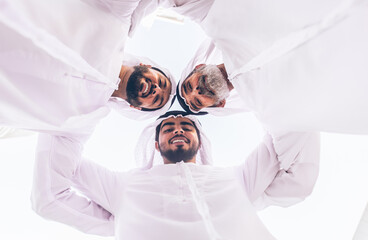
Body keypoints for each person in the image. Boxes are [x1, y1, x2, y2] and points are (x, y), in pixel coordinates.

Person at [31, 111, 320, 239]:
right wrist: (89, 103)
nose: (178, 129)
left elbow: (294, 127)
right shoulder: (125, 186)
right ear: (155, 144)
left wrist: (233, 95)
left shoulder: (238, 179)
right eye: (168, 128)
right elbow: (51, 194)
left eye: (186, 125)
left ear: (200, 140)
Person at [173, 0, 368, 134]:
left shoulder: (217, 22)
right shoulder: (270, 112)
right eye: (198, 102)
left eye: (189, 86)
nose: (197, 91)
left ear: (199, 66)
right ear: (219, 105)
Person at [0, 0, 176, 136]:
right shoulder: (118, 19)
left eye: (157, 100)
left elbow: (56, 177)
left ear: (137, 108)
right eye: (161, 82)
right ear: (146, 66)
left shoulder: (83, 122)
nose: (156, 89)